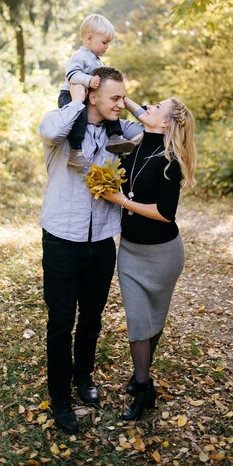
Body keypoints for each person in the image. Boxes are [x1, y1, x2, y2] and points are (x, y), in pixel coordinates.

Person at [39, 66, 144, 434]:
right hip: (61, 239)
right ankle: (59, 397)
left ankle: (83, 378)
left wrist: (125, 102)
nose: (120, 104)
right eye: (114, 98)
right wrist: (80, 98)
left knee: (92, 318)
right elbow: (49, 129)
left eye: (123, 97)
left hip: (102, 240)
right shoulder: (65, 126)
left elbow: (155, 128)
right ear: (94, 95)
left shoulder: (122, 132)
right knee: (61, 320)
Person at [101, 96, 197, 421]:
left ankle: (140, 377)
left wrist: (120, 201)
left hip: (164, 256)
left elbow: (165, 214)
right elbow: (140, 112)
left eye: (156, 107)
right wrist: (118, 96)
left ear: (166, 123)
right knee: (138, 322)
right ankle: (144, 388)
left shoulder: (170, 161)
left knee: (153, 321)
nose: (147, 107)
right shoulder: (137, 144)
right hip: (130, 252)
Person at [58, 13, 135, 168]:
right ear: (89, 38)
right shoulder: (80, 56)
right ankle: (76, 150)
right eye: (104, 42)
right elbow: (72, 75)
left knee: (107, 109)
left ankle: (114, 136)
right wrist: (89, 80)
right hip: (71, 95)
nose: (107, 46)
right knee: (80, 116)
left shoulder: (96, 59)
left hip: (88, 95)